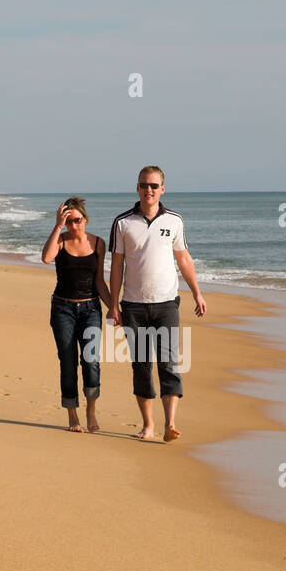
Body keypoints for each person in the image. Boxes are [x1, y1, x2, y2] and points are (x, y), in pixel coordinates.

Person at [107, 166, 207, 442]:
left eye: (153, 185)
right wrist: (113, 305)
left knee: (169, 363)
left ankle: (170, 424)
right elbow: (116, 266)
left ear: (163, 189)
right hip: (134, 306)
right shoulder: (122, 222)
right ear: (137, 188)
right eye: (143, 185)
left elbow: (183, 259)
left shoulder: (174, 221)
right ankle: (148, 425)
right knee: (141, 366)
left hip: (166, 305)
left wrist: (197, 292)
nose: (148, 190)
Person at [41, 197, 111, 432]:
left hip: (91, 309)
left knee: (91, 361)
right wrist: (57, 226)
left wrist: (113, 307)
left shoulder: (98, 244)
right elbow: (46, 258)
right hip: (63, 309)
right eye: (69, 222)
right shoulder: (60, 241)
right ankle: (72, 414)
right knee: (68, 362)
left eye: (77, 220)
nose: (74, 226)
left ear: (85, 219)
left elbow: (100, 281)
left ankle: (91, 410)